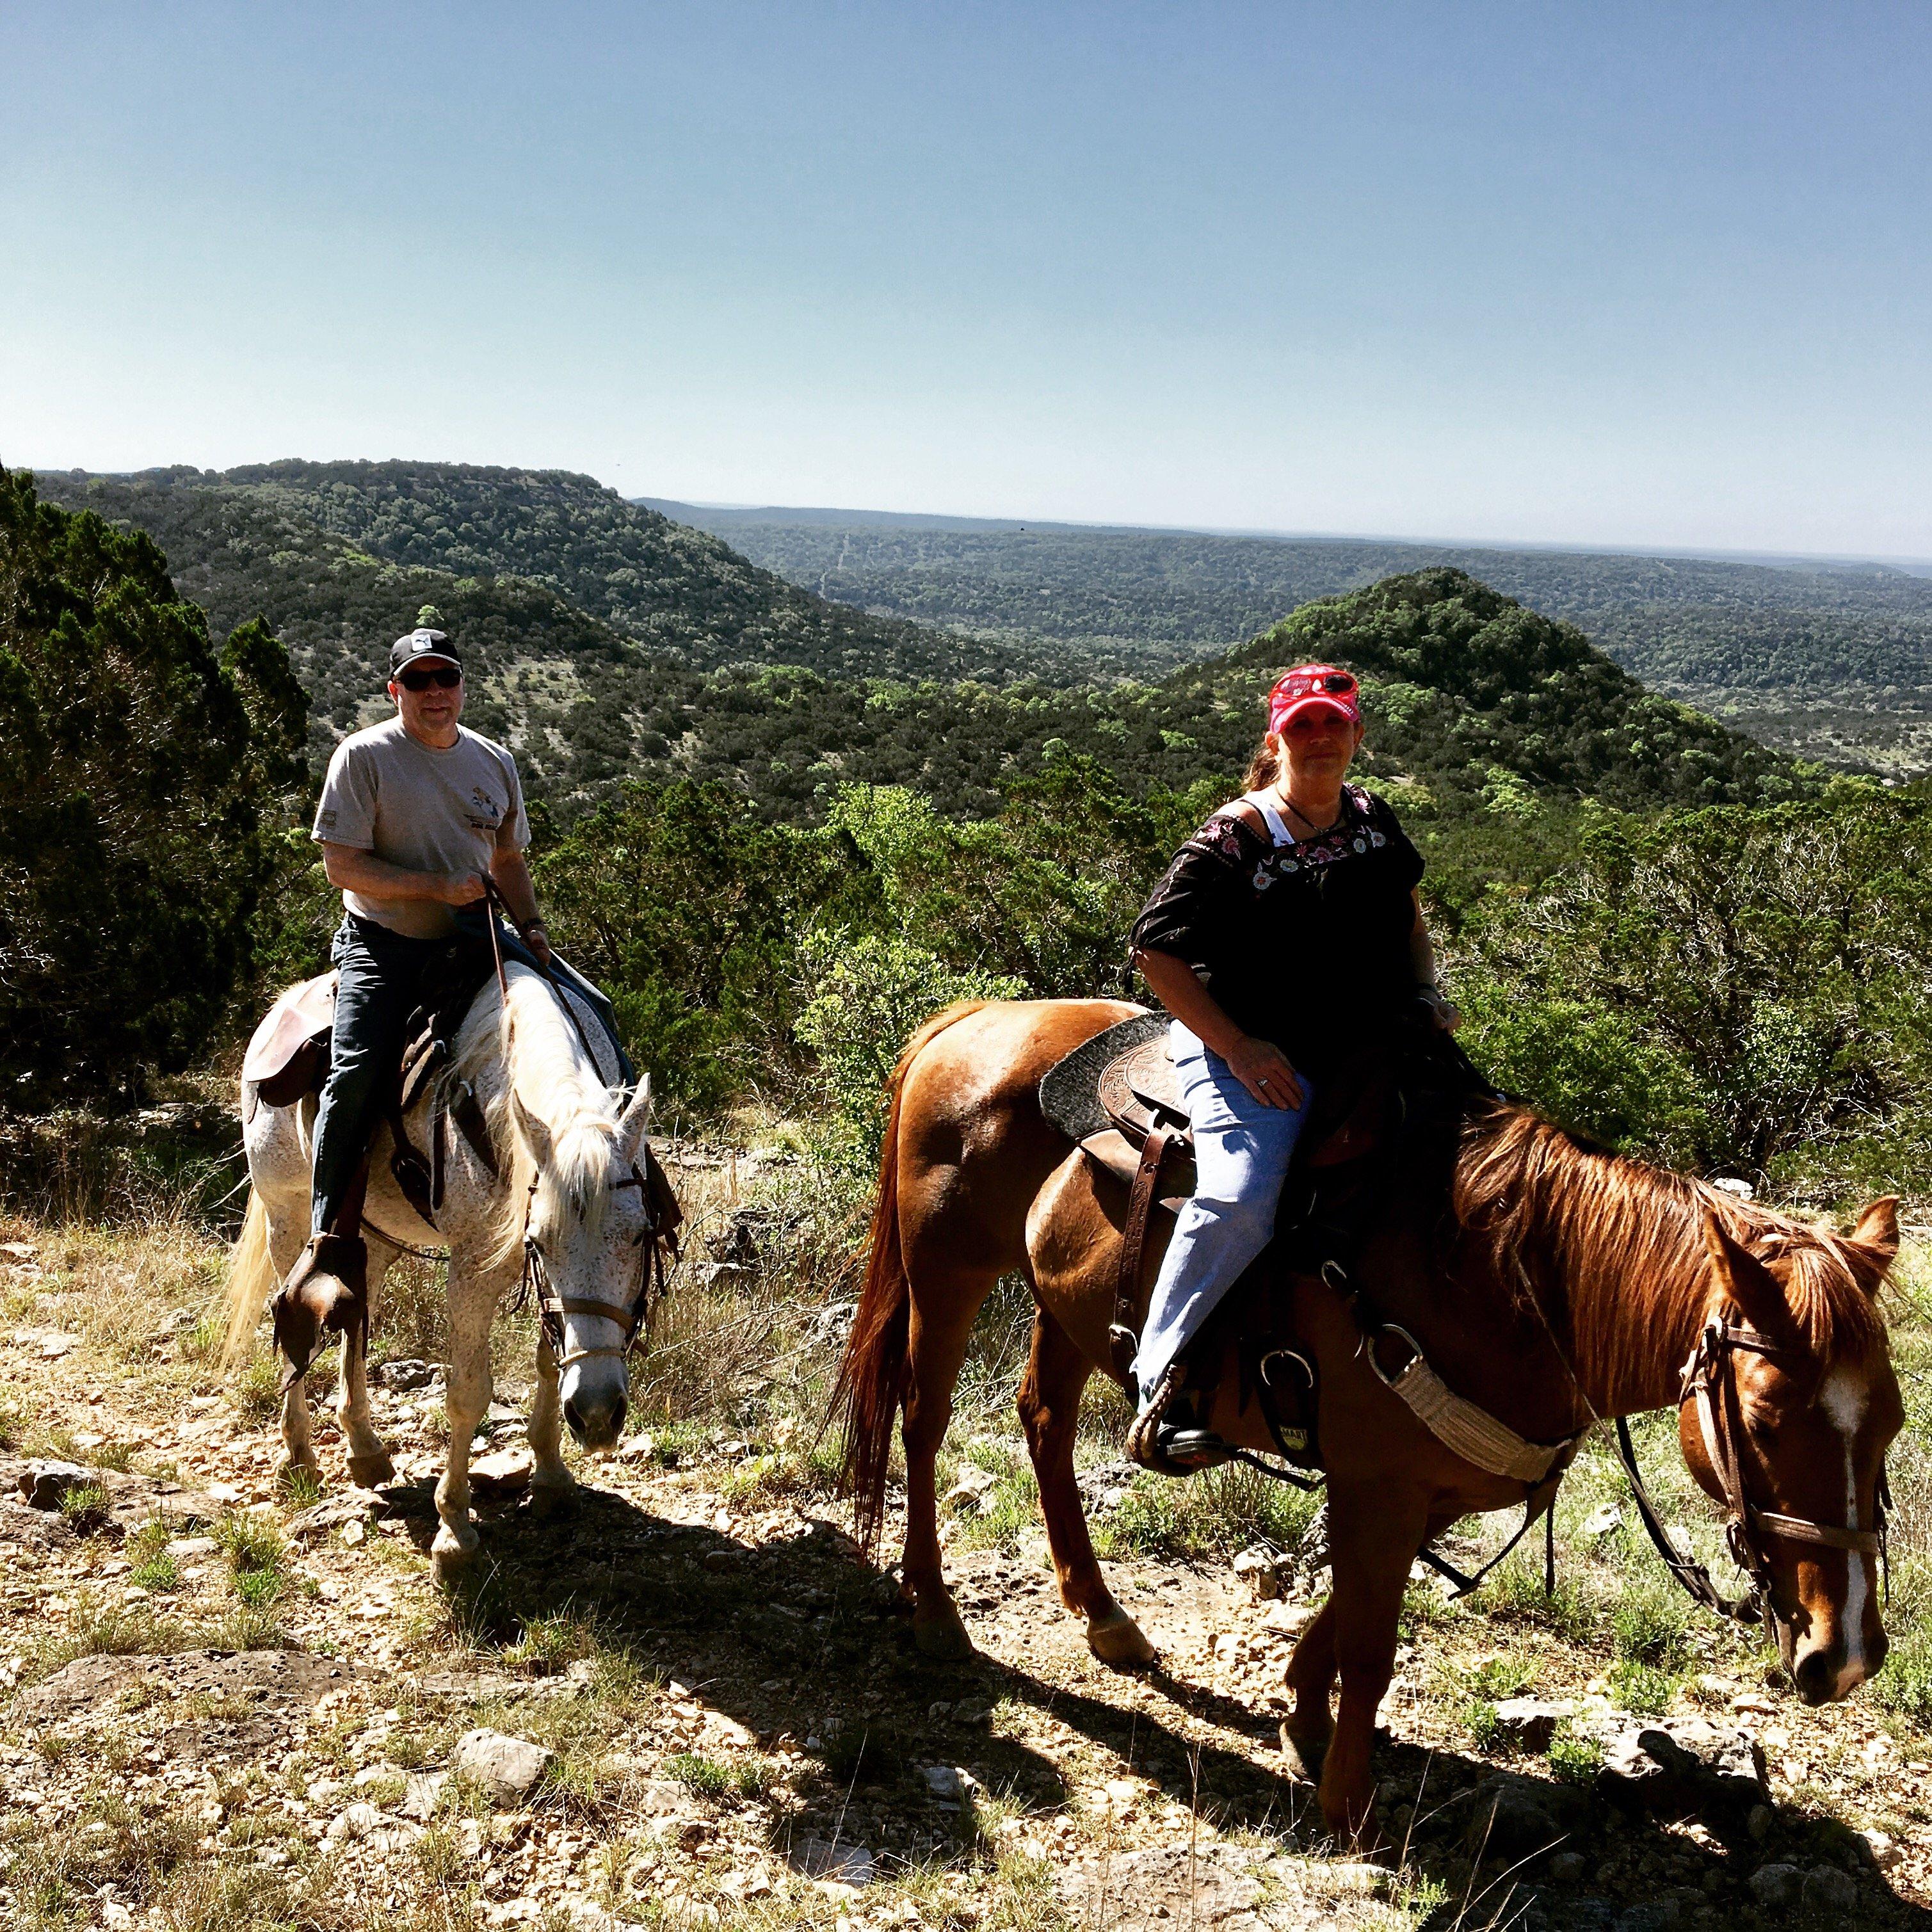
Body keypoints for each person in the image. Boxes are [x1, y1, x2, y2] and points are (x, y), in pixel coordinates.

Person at [1122, 663, 1458, 1474]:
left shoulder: (1373, 820)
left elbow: (1407, 916)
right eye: (1301, 726)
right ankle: (1158, 1383)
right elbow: (1154, 950)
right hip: (1252, 1053)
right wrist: (1238, 1046)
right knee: (1241, 1198)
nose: (1319, 738)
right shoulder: (1232, 840)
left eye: (1332, 724)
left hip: (1374, 1041)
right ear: (1276, 739)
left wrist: (1425, 989)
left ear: (1357, 735)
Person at [277, 625, 627, 1344]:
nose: (436, 693)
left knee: (593, 1011)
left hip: (478, 937)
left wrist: (533, 931)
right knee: (355, 1070)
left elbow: (507, 858)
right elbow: (342, 865)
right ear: (395, 689)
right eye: (420, 681)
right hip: (387, 943)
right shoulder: (365, 757)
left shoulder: (492, 761)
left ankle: (628, 1187)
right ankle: (326, 1243)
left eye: (447, 679)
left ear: (463, 685)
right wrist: (434, 885)